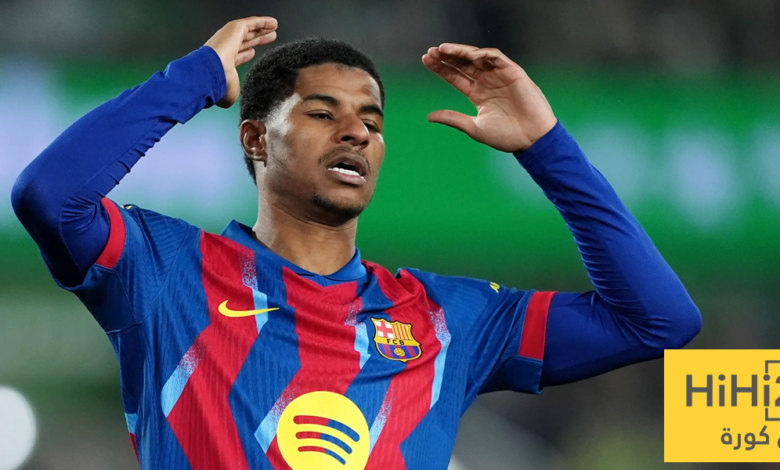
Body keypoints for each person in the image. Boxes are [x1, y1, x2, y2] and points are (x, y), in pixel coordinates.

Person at [11, 16, 701, 470]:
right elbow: (50, 194)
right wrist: (192, 80)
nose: (357, 132)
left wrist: (545, 148)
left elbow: (658, 320)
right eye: (322, 113)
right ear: (256, 139)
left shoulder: (447, 319)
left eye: (372, 122)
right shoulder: (166, 273)